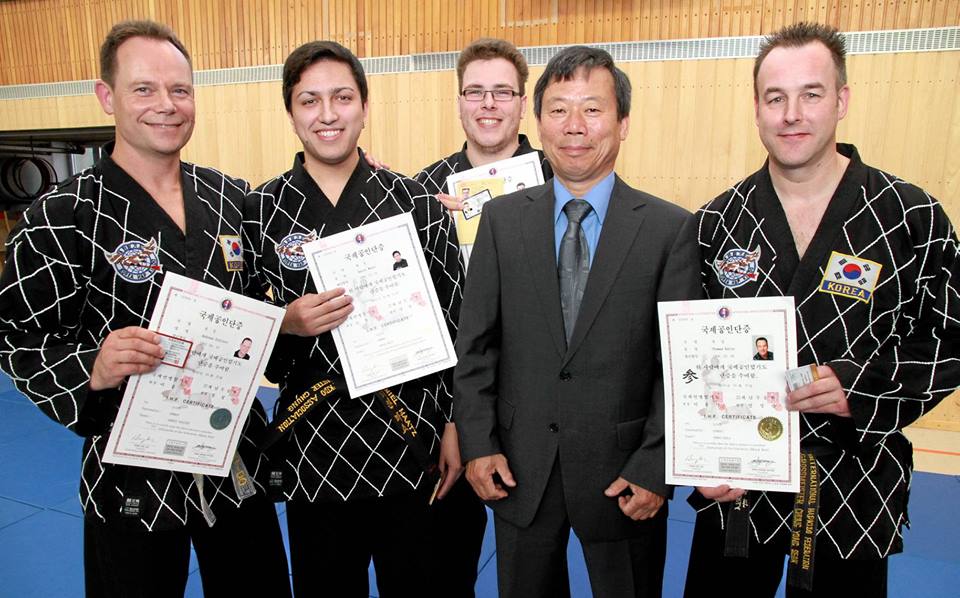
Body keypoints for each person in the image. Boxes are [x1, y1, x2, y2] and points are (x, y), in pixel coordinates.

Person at [0, 20, 289, 598]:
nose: (166, 105)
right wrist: (92, 366)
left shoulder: (231, 197)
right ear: (106, 96)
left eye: (180, 90)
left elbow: (278, 284)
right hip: (127, 467)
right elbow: (17, 337)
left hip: (231, 454)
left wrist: (358, 173)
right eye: (144, 89)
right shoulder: (63, 214)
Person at [685, 22, 960, 598]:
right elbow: (684, 357)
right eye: (775, 97)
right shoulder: (716, 223)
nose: (792, 113)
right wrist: (699, 453)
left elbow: (949, 341)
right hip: (739, 483)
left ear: (842, 100)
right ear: (756, 108)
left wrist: (858, 388)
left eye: (811, 94)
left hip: (856, 476)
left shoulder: (911, 218)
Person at [454, 45, 700, 598]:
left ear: (623, 122)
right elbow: (477, 348)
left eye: (592, 109)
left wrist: (655, 465)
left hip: (625, 478)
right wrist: (478, 442)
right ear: (538, 123)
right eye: (558, 109)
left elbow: (679, 367)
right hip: (518, 469)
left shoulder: (669, 230)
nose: (575, 126)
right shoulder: (500, 221)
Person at [242, 40, 464, 597]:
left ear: (364, 106)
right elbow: (242, 332)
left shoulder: (412, 202)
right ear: (291, 112)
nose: (327, 114)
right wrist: (284, 322)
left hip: (410, 436)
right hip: (312, 442)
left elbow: (460, 318)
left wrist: (460, 423)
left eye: (342, 97)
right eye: (309, 100)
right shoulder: (261, 210)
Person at [416, 38, 553, 264]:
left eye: (502, 92)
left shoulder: (556, 177)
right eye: (475, 92)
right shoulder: (425, 188)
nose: (488, 103)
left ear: (523, 105)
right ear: (459, 104)